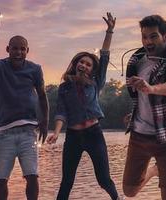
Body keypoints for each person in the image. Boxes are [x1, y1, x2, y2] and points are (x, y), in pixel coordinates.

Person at [46, 12, 120, 200]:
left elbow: (104, 57)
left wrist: (109, 31)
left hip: (94, 134)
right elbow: (61, 112)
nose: (84, 66)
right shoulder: (64, 88)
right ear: (75, 64)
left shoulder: (96, 82)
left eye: (88, 64)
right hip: (73, 136)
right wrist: (56, 132)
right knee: (67, 181)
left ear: (91, 70)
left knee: (103, 179)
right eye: (82, 62)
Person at [122, 15, 166, 200]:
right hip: (139, 135)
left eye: (153, 36)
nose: (148, 41)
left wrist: (152, 88)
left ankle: (161, 173)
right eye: (144, 37)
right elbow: (139, 97)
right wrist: (135, 113)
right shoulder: (137, 61)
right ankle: (154, 171)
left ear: (165, 37)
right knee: (129, 191)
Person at [0, 35, 49, 200]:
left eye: (22, 49)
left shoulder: (35, 69)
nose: (18, 52)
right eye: (15, 48)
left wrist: (45, 121)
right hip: (5, 133)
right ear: (8, 49)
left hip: (28, 132)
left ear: (27, 51)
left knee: (32, 176)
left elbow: (42, 96)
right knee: (1, 179)